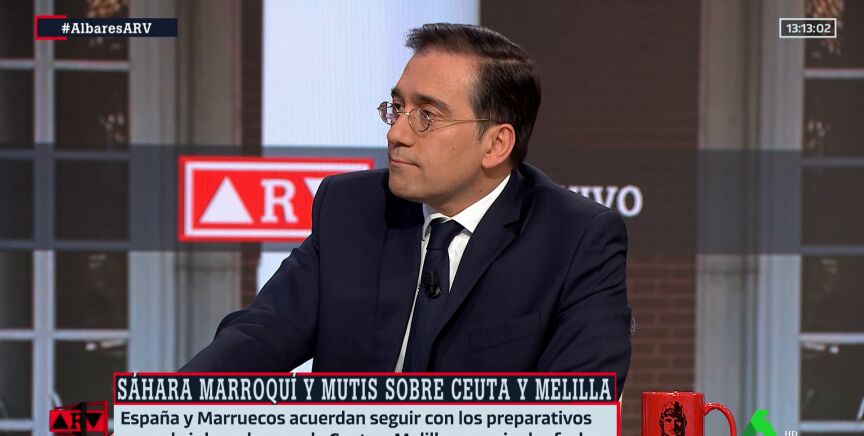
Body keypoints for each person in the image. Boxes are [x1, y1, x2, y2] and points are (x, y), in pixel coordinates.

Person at [181, 23, 632, 398]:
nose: (396, 133)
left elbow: (580, 401)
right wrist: (167, 407)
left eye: (426, 116)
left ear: (496, 144)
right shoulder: (351, 209)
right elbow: (258, 337)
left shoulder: (574, 240)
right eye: (397, 108)